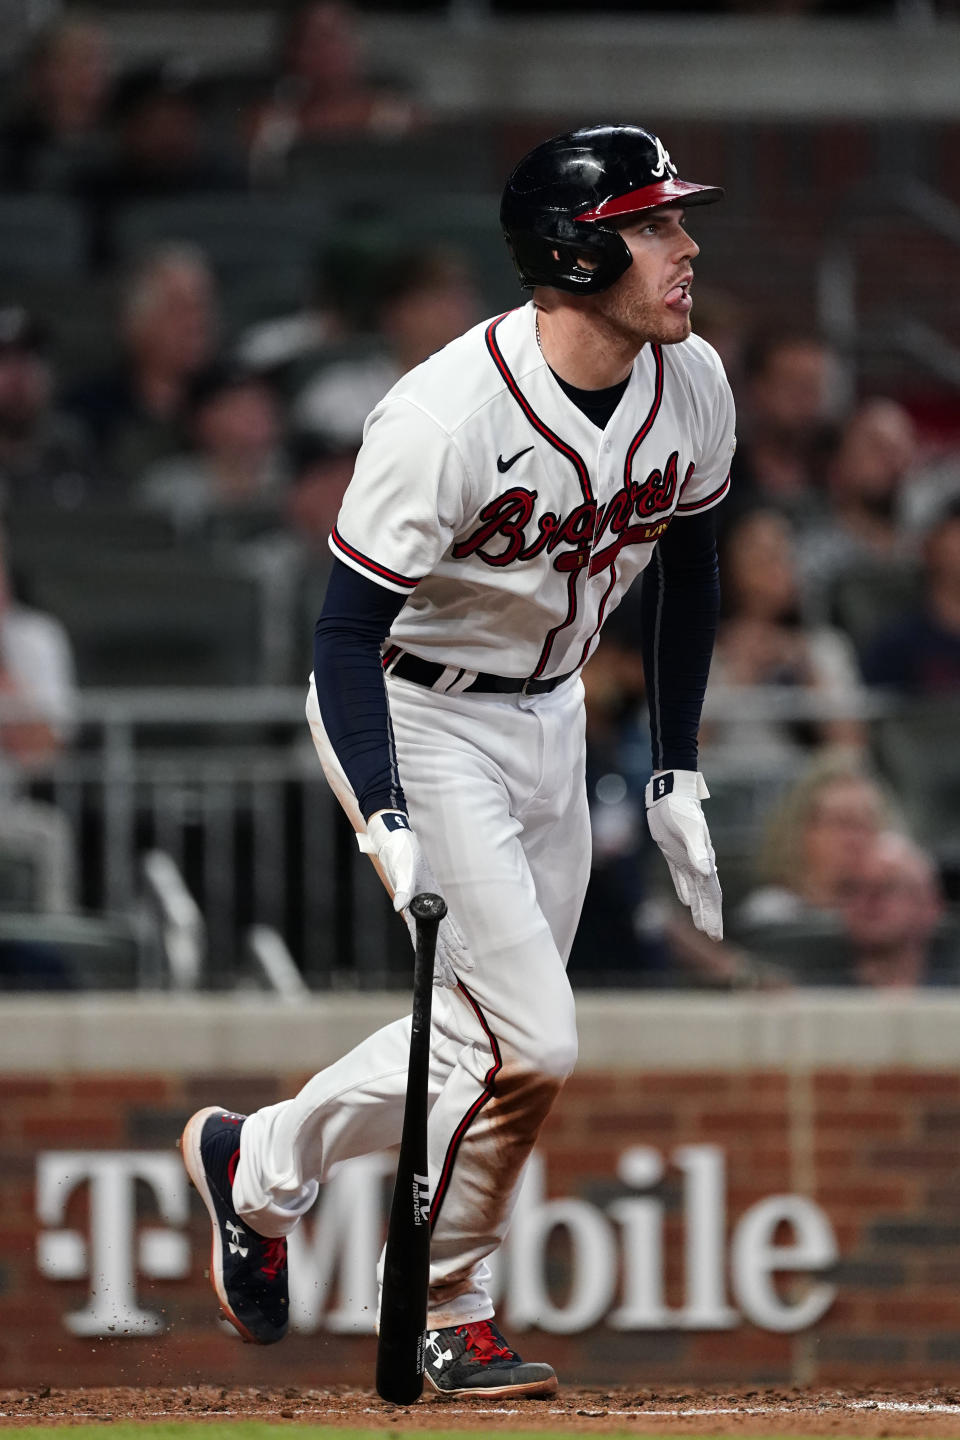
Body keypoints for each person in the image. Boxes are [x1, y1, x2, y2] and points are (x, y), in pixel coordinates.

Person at [180, 123, 735, 1395]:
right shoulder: (445, 415)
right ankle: (453, 1310)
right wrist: (380, 806)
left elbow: (692, 566)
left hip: (552, 712)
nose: (685, 244)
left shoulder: (692, 379)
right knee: (533, 1042)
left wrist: (677, 767)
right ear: (577, 253)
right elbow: (341, 635)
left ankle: (255, 1165)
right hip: (411, 709)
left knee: (483, 1042)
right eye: (653, 225)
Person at [66, 243, 219, 487]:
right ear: (136, 322)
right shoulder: (90, 411)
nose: (197, 323)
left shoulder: (227, 402)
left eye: (203, 307)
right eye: (179, 310)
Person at [735, 750, 895, 930]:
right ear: (802, 831)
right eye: (843, 823)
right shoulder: (773, 913)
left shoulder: (898, 912)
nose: (857, 839)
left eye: (867, 824)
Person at [837, 829, 955, 989]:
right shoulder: (810, 995)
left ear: (931, 906)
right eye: (856, 887)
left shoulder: (952, 993)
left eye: (888, 886)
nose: (869, 900)